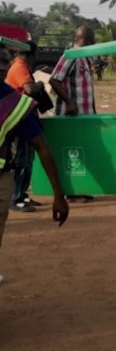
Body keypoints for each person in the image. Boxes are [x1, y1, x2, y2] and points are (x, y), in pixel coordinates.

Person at [0, 76, 69, 283]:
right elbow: (42, 147)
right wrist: (59, 195)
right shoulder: (16, 103)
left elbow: (41, 147)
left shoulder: (16, 103)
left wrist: (59, 195)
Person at [50, 25, 97, 204]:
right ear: (88, 40)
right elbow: (54, 80)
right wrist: (69, 102)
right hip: (71, 116)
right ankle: (72, 192)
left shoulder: (85, 58)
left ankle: (80, 189)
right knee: (73, 154)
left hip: (84, 116)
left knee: (82, 153)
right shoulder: (71, 55)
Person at [4, 42, 40, 212]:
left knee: (27, 160)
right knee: (21, 160)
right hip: (19, 121)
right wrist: (39, 85)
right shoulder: (20, 67)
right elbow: (29, 89)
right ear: (32, 55)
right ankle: (16, 197)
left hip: (22, 119)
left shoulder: (20, 65)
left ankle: (22, 194)